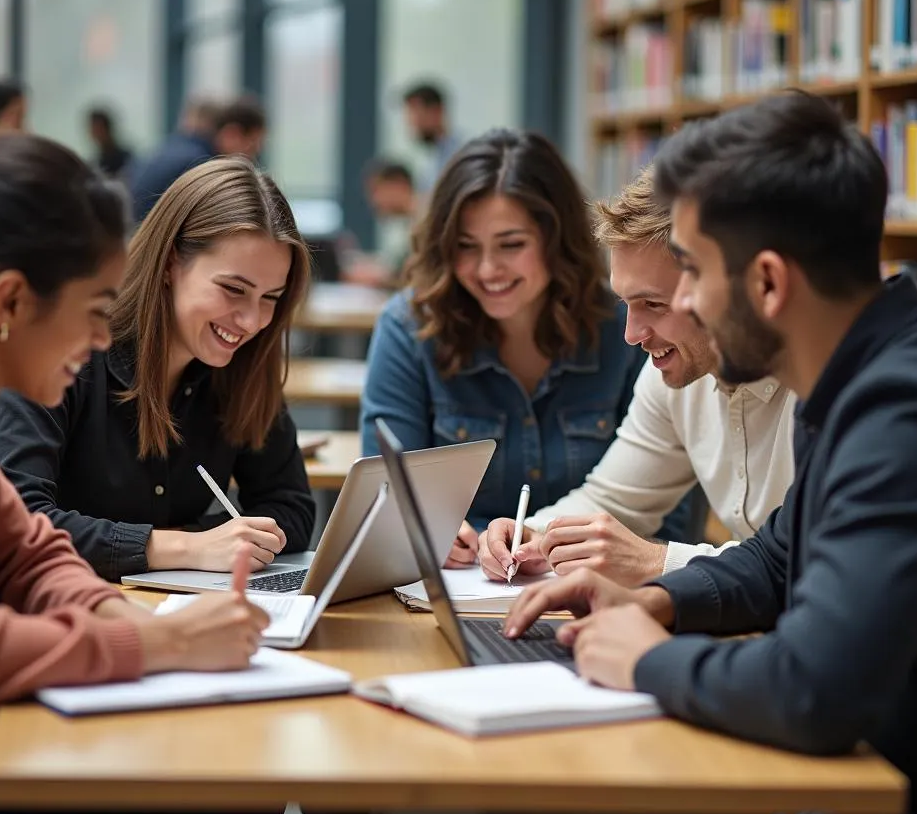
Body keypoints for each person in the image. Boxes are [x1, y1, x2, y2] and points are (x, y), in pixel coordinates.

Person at [489, 90, 917, 814]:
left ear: (767, 282)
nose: (687, 300)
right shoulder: (853, 378)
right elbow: (776, 559)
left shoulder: (909, 408)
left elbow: (814, 688)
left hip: (893, 810)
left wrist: (653, 660)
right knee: (529, 811)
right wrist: (657, 600)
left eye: (692, 273)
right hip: (836, 774)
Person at [0, 123, 280, 814]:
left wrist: (139, 625)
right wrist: (154, 649)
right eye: (93, 313)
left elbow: (30, 554)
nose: (96, 343)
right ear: (11, 301)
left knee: (239, 804)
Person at [0, 157, 315, 584]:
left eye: (271, 297)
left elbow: (290, 507)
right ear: (169, 263)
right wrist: (180, 547)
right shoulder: (59, 347)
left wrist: (203, 544)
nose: (252, 321)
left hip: (179, 611)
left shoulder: (243, 366)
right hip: (63, 612)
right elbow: (12, 521)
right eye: (234, 289)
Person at [478, 167, 796, 587]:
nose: (631, 335)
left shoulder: (825, 385)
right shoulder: (678, 370)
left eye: (653, 304)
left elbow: (815, 565)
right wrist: (534, 535)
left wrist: (655, 562)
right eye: (626, 303)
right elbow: (614, 498)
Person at [360, 128, 648, 567]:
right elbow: (385, 496)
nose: (487, 269)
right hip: (459, 585)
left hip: (595, 586)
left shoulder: (628, 327)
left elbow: (662, 509)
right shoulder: (409, 328)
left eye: (511, 245)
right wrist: (429, 530)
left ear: (556, 239)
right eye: (465, 247)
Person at [129, 95, 266, 223]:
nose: (251, 158)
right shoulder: (201, 166)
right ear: (232, 133)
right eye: (252, 146)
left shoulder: (173, 146)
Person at [341, 158, 419, 289]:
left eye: (375, 191)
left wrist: (378, 280)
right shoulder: (411, 223)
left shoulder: (424, 224)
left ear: (399, 184)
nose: (373, 201)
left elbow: (414, 281)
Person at [400, 81, 462, 190]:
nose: (412, 123)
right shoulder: (427, 160)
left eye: (418, 116)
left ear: (437, 111)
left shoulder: (463, 153)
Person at [87, 106, 133, 179]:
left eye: (99, 129)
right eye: (94, 130)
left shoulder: (127, 159)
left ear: (108, 129)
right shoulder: (96, 164)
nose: (97, 134)